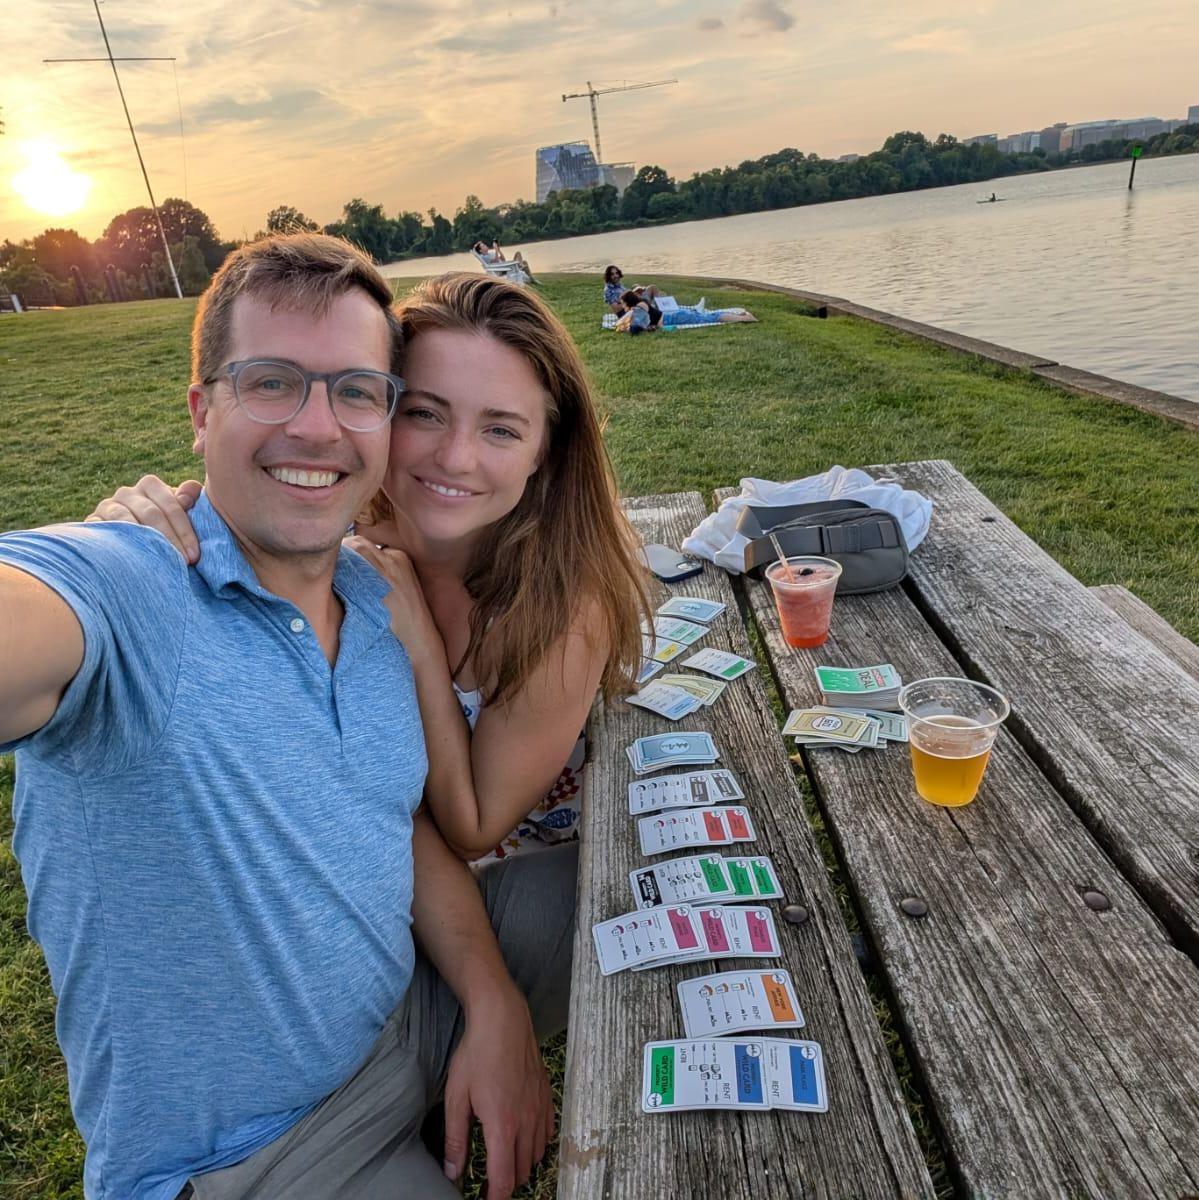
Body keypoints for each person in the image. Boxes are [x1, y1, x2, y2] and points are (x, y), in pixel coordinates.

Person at [1, 236, 575, 1199]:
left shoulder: (373, 589)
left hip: (408, 1016)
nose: (318, 428)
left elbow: (393, 819)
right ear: (201, 411)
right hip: (258, 1157)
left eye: (356, 390)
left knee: (638, 897)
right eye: (272, 382)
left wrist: (493, 1003)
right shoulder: (137, 586)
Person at [87, 272, 650, 863]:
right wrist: (137, 524)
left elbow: (476, 826)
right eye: (425, 414)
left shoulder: (563, 598)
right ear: (375, 408)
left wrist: (422, 648)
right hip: (383, 869)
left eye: (501, 429)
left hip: (541, 873)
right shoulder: (334, 534)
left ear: (544, 453)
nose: (456, 458)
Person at [613, 288, 756, 334]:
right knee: (706, 316)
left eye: (623, 303)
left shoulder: (639, 308)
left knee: (711, 317)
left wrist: (624, 328)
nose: (622, 305)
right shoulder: (640, 305)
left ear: (629, 302)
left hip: (673, 319)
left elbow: (636, 328)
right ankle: (741, 316)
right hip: (673, 316)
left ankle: (746, 318)